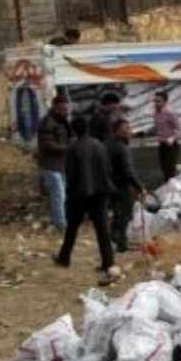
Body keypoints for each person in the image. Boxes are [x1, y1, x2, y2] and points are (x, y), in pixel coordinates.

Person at [54, 116, 117, 287]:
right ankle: (108, 261)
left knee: (72, 229)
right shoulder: (99, 146)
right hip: (100, 193)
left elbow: (71, 174)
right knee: (102, 229)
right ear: (87, 128)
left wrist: (70, 192)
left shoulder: (73, 148)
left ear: (74, 130)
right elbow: (108, 169)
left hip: (80, 194)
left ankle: (64, 258)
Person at [108, 119, 146, 253]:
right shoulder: (121, 149)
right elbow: (128, 171)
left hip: (111, 185)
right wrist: (140, 187)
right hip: (121, 185)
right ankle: (121, 243)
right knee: (125, 215)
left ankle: (114, 239)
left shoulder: (109, 144)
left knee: (118, 214)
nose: (129, 132)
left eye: (129, 129)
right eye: (126, 129)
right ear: (118, 131)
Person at [37, 95, 72, 232]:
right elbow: (47, 145)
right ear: (55, 107)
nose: (65, 111)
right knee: (58, 194)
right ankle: (60, 224)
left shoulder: (63, 122)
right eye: (63, 109)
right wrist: (67, 149)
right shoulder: (47, 123)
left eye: (66, 108)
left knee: (61, 194)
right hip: (50, 165)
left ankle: (60, 220)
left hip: (61, 165)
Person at [154, 91, 181, 181]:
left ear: (165, 102)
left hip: (171, 146)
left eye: (158, 101)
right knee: (164, 169)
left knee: (169, 172)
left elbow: (179, 129)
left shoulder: (170, 113)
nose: (156, 103)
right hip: (162, 145)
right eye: (155, 101)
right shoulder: (156, 113)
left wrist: (172, 139)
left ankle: (171, 192)